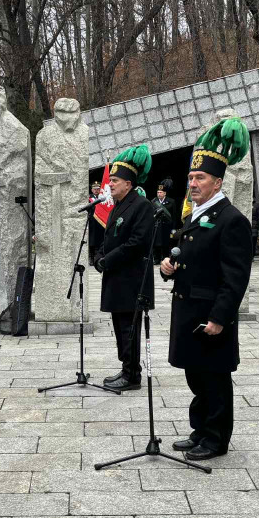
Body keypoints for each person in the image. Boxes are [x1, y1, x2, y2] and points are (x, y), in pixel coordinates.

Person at [161, 117, 252, 461]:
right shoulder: (194, 215)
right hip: (188, 311)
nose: (193, 183)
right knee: (196, 377)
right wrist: (169, 268)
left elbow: (236, 277)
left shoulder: (231, 220)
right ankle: (200, 430)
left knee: (214, 380)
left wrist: (219, 317)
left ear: (217, 182)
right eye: (191, 178)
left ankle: (215, 439)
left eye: (200, 178)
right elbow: (186, 257)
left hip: (209, 315)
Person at [94, 144, 154, 392]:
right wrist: (99, 254)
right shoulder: (118, 205)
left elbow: (136, 243)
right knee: (120, 327)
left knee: (130, 328)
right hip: (117, 278)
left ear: (129, 184)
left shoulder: (141, 206)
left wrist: (108, 260)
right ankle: (126, 367)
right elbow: (110, 237)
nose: (111, 185)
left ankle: (133, 375)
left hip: (132, 280)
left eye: (116, 180)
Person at [151, 179, 177, 264]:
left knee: (165, 243)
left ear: (165, 193)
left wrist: (173, 228)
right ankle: (156, 259)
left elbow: (174, 216)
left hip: (166, 226)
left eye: (160, 192)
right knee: (155, 243)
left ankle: (165, 258)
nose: (159, 194)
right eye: (158, 192)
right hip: (157, 226)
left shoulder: (171, 201)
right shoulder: (154, 201)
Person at [87, 182, 106, 266]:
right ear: (92, 190)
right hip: (93, 222)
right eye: (94, 189)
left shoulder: (103, 198)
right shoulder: (89, 198)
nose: (96, 190)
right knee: (92, 240)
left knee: (101, 239)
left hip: (101, 222)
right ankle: (91, 258)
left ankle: (99, 257)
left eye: (98, 189)